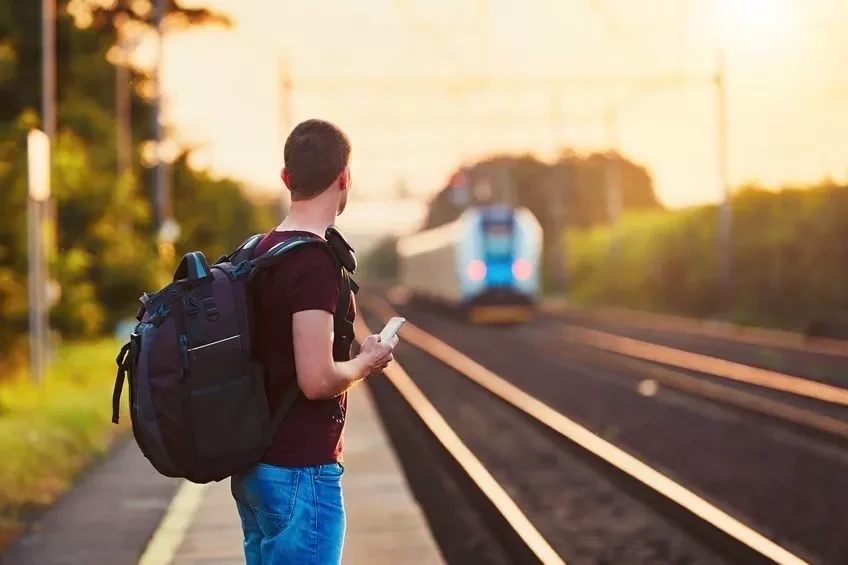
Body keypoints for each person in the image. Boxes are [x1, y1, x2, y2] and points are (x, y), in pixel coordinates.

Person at [230, 118, 398, 565]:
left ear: (286, 178)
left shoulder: (257, 251)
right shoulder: (313, 263)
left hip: (255, 468)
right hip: (298, 472)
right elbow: (317, 379)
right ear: (345, 177)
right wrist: (366, 361)